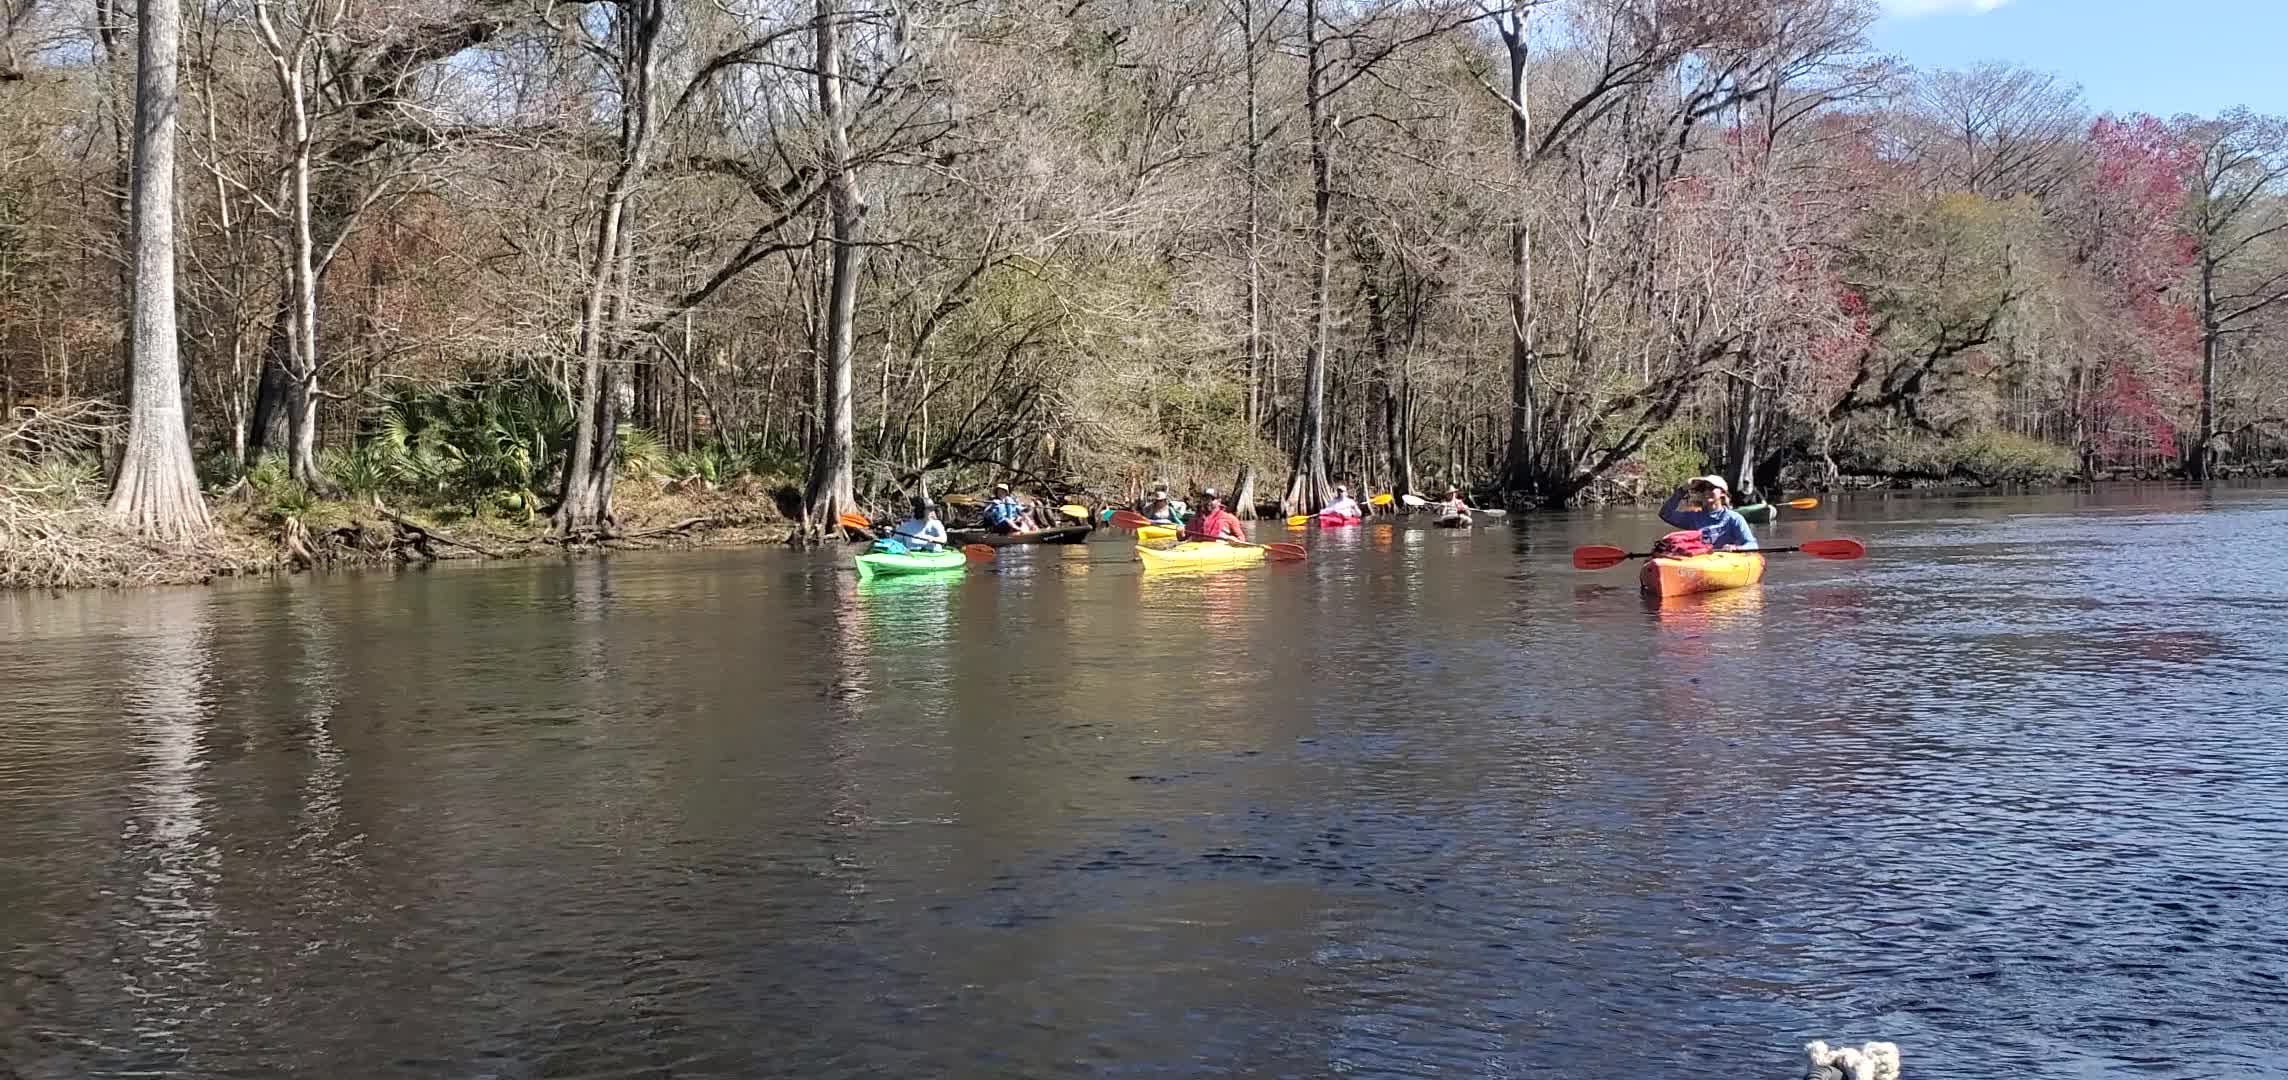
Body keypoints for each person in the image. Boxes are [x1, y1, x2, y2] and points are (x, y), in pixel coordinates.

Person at [1660, 475, 1758, 551]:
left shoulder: (1734, 519)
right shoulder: (1693, 518)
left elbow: (1752, 545)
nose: (1706, 492)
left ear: (1722, 493)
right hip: (1700, 562)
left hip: (1725, 563)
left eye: (1711, 488)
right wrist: (1682, 491)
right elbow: (1665, 514)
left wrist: (1736, 548)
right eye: (1703, 489)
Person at [1182, 488, 1249, 544]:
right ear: (1201, 501)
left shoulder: (1230, 518)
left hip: (1218, 552)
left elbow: (1241, 539)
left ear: (1219, 501)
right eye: (1205, 499)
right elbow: (1183, 537)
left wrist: (1235, 540)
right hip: (1196, 550)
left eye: (1212, 499)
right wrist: (1180, 533)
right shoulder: (1194, 518)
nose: (1208, 502)